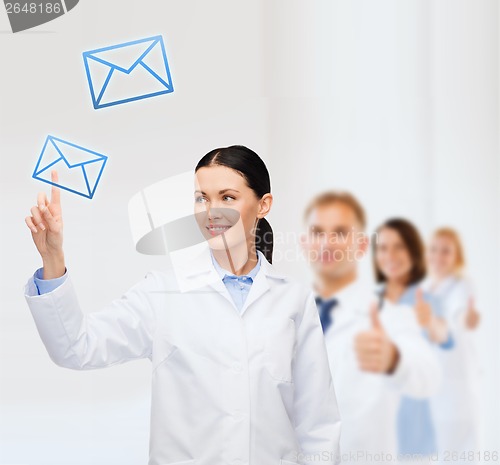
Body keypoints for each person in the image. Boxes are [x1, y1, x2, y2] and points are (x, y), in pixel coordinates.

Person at [24, 145, 342, 465]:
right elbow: (76, 347)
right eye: (201, 198)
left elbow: (317, 424)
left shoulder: (292, 300)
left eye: (228, 197)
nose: (211, 211)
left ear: (263, 205)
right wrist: (53, 259)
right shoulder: (162, 293)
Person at [301, 192, 441, 465]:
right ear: (304, 243)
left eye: (340, 233)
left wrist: (393, 360)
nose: (326, 243)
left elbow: (429, 375)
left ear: (362, 246)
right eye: (317, 232)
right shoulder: (290, 315)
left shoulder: (390, 315)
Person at [373, 218, 453, 460]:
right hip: (373, 428)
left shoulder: (425, 299)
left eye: (400, 247)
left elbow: (445, 337)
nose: (391, 255)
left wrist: (430, 323)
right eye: (383, 248)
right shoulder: (369, 300)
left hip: (414, 433)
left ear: (413, 251)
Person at [423, 227, 481, 463]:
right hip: (432, 388)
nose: (438, 256)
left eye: (446, 251)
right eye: (434, 250)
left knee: (459, 453)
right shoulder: (425, 290)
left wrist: (466, 318)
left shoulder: (462, 285)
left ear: (457, 256)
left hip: (456, 388)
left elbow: (461, 315)